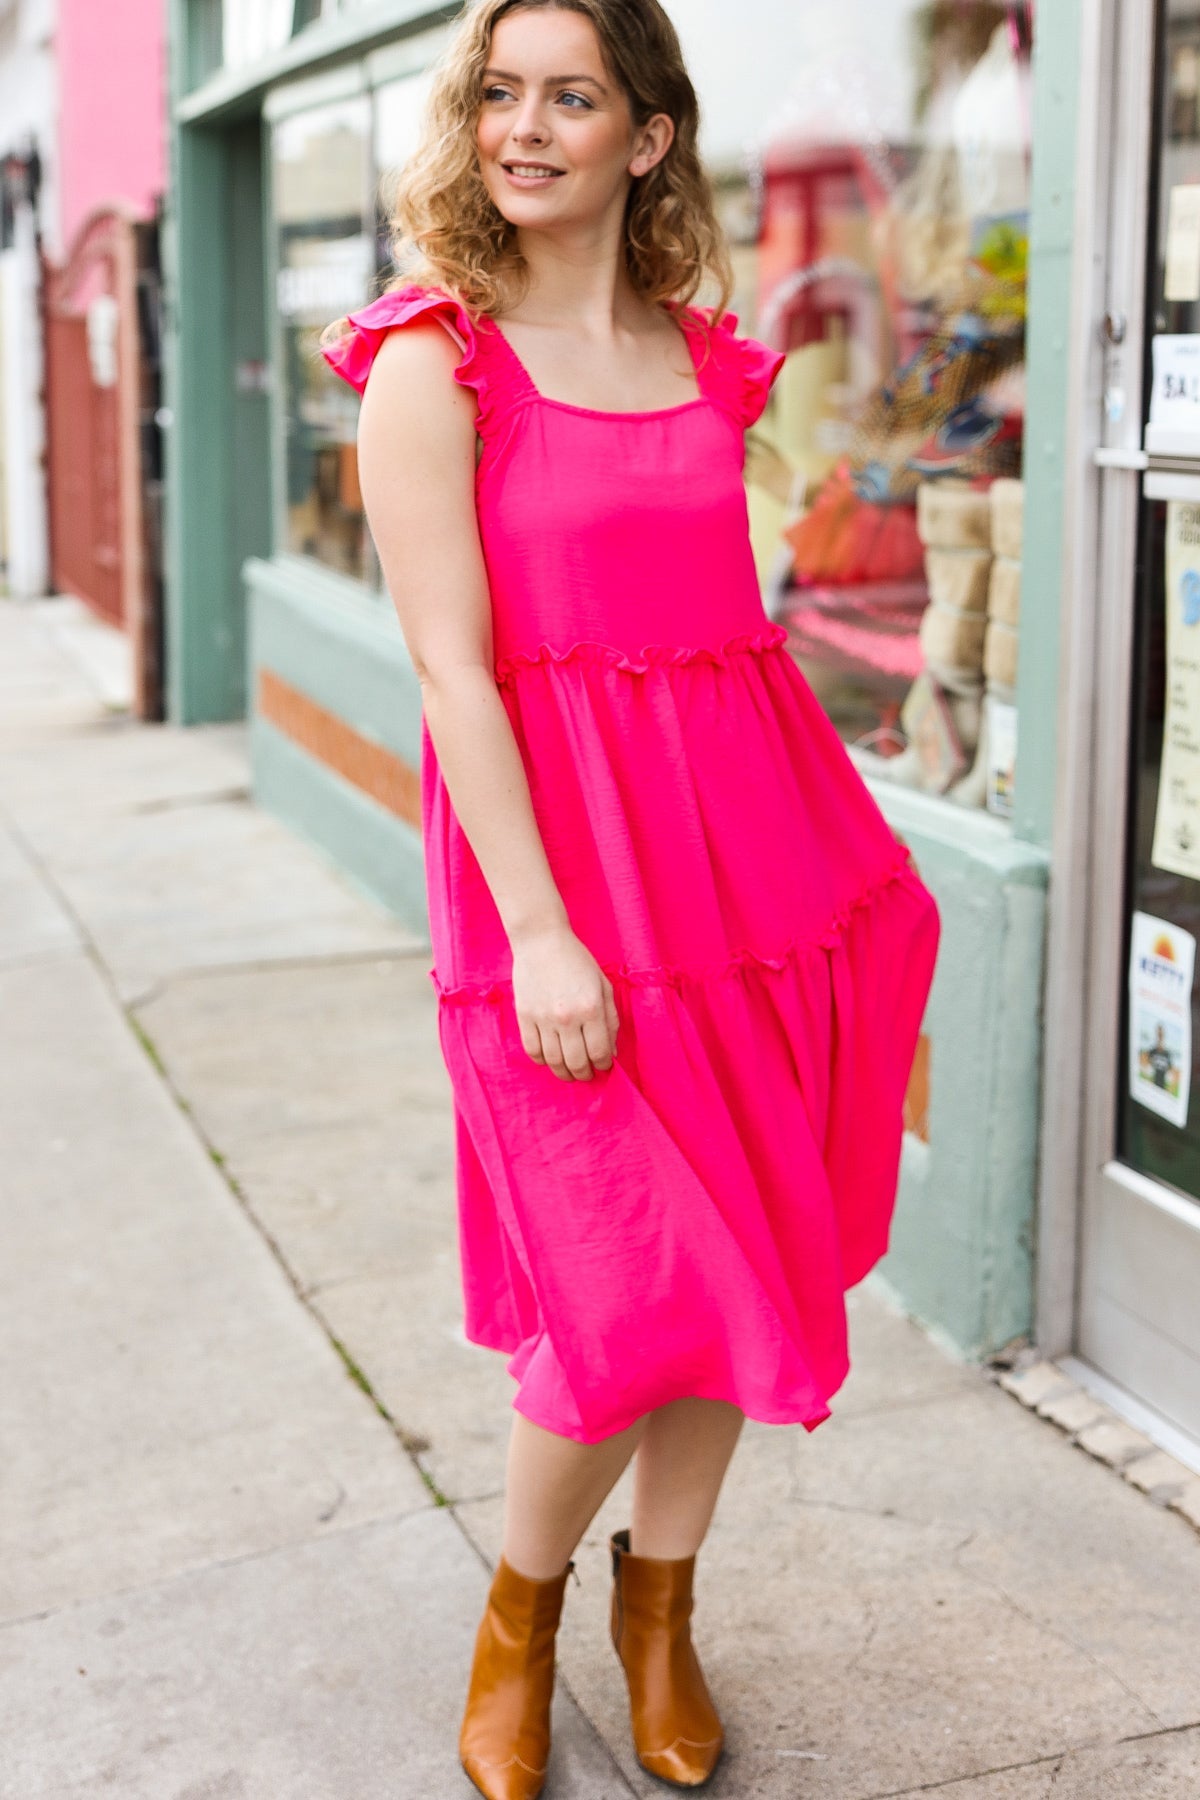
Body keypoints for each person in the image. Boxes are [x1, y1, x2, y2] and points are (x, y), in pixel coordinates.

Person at [321, 2, 941, 1794]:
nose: (525, 127)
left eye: (570, 97)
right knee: (612, 1291)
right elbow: (456, 675)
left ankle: (658, 1609)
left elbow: (731, 648)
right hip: (562, 890)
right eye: (498, 93)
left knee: (734, 1252)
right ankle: (520, 1613)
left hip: (751, 875)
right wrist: (539, 930)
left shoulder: (709, 356)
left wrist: (846, 865)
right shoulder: (436, 363)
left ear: (646, 137)